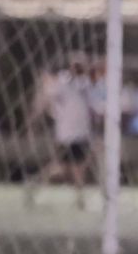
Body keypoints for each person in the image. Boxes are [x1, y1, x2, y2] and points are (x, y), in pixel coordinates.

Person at [25, 59, 94, 210]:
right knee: (70, 168)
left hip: (81, 132)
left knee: (72, 168)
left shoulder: (85, 83)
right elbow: (46, 98)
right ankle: (37, 183)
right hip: (67, 133)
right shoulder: (62, 83)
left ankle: (36, 183)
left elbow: (89, 106)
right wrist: (37, 117)